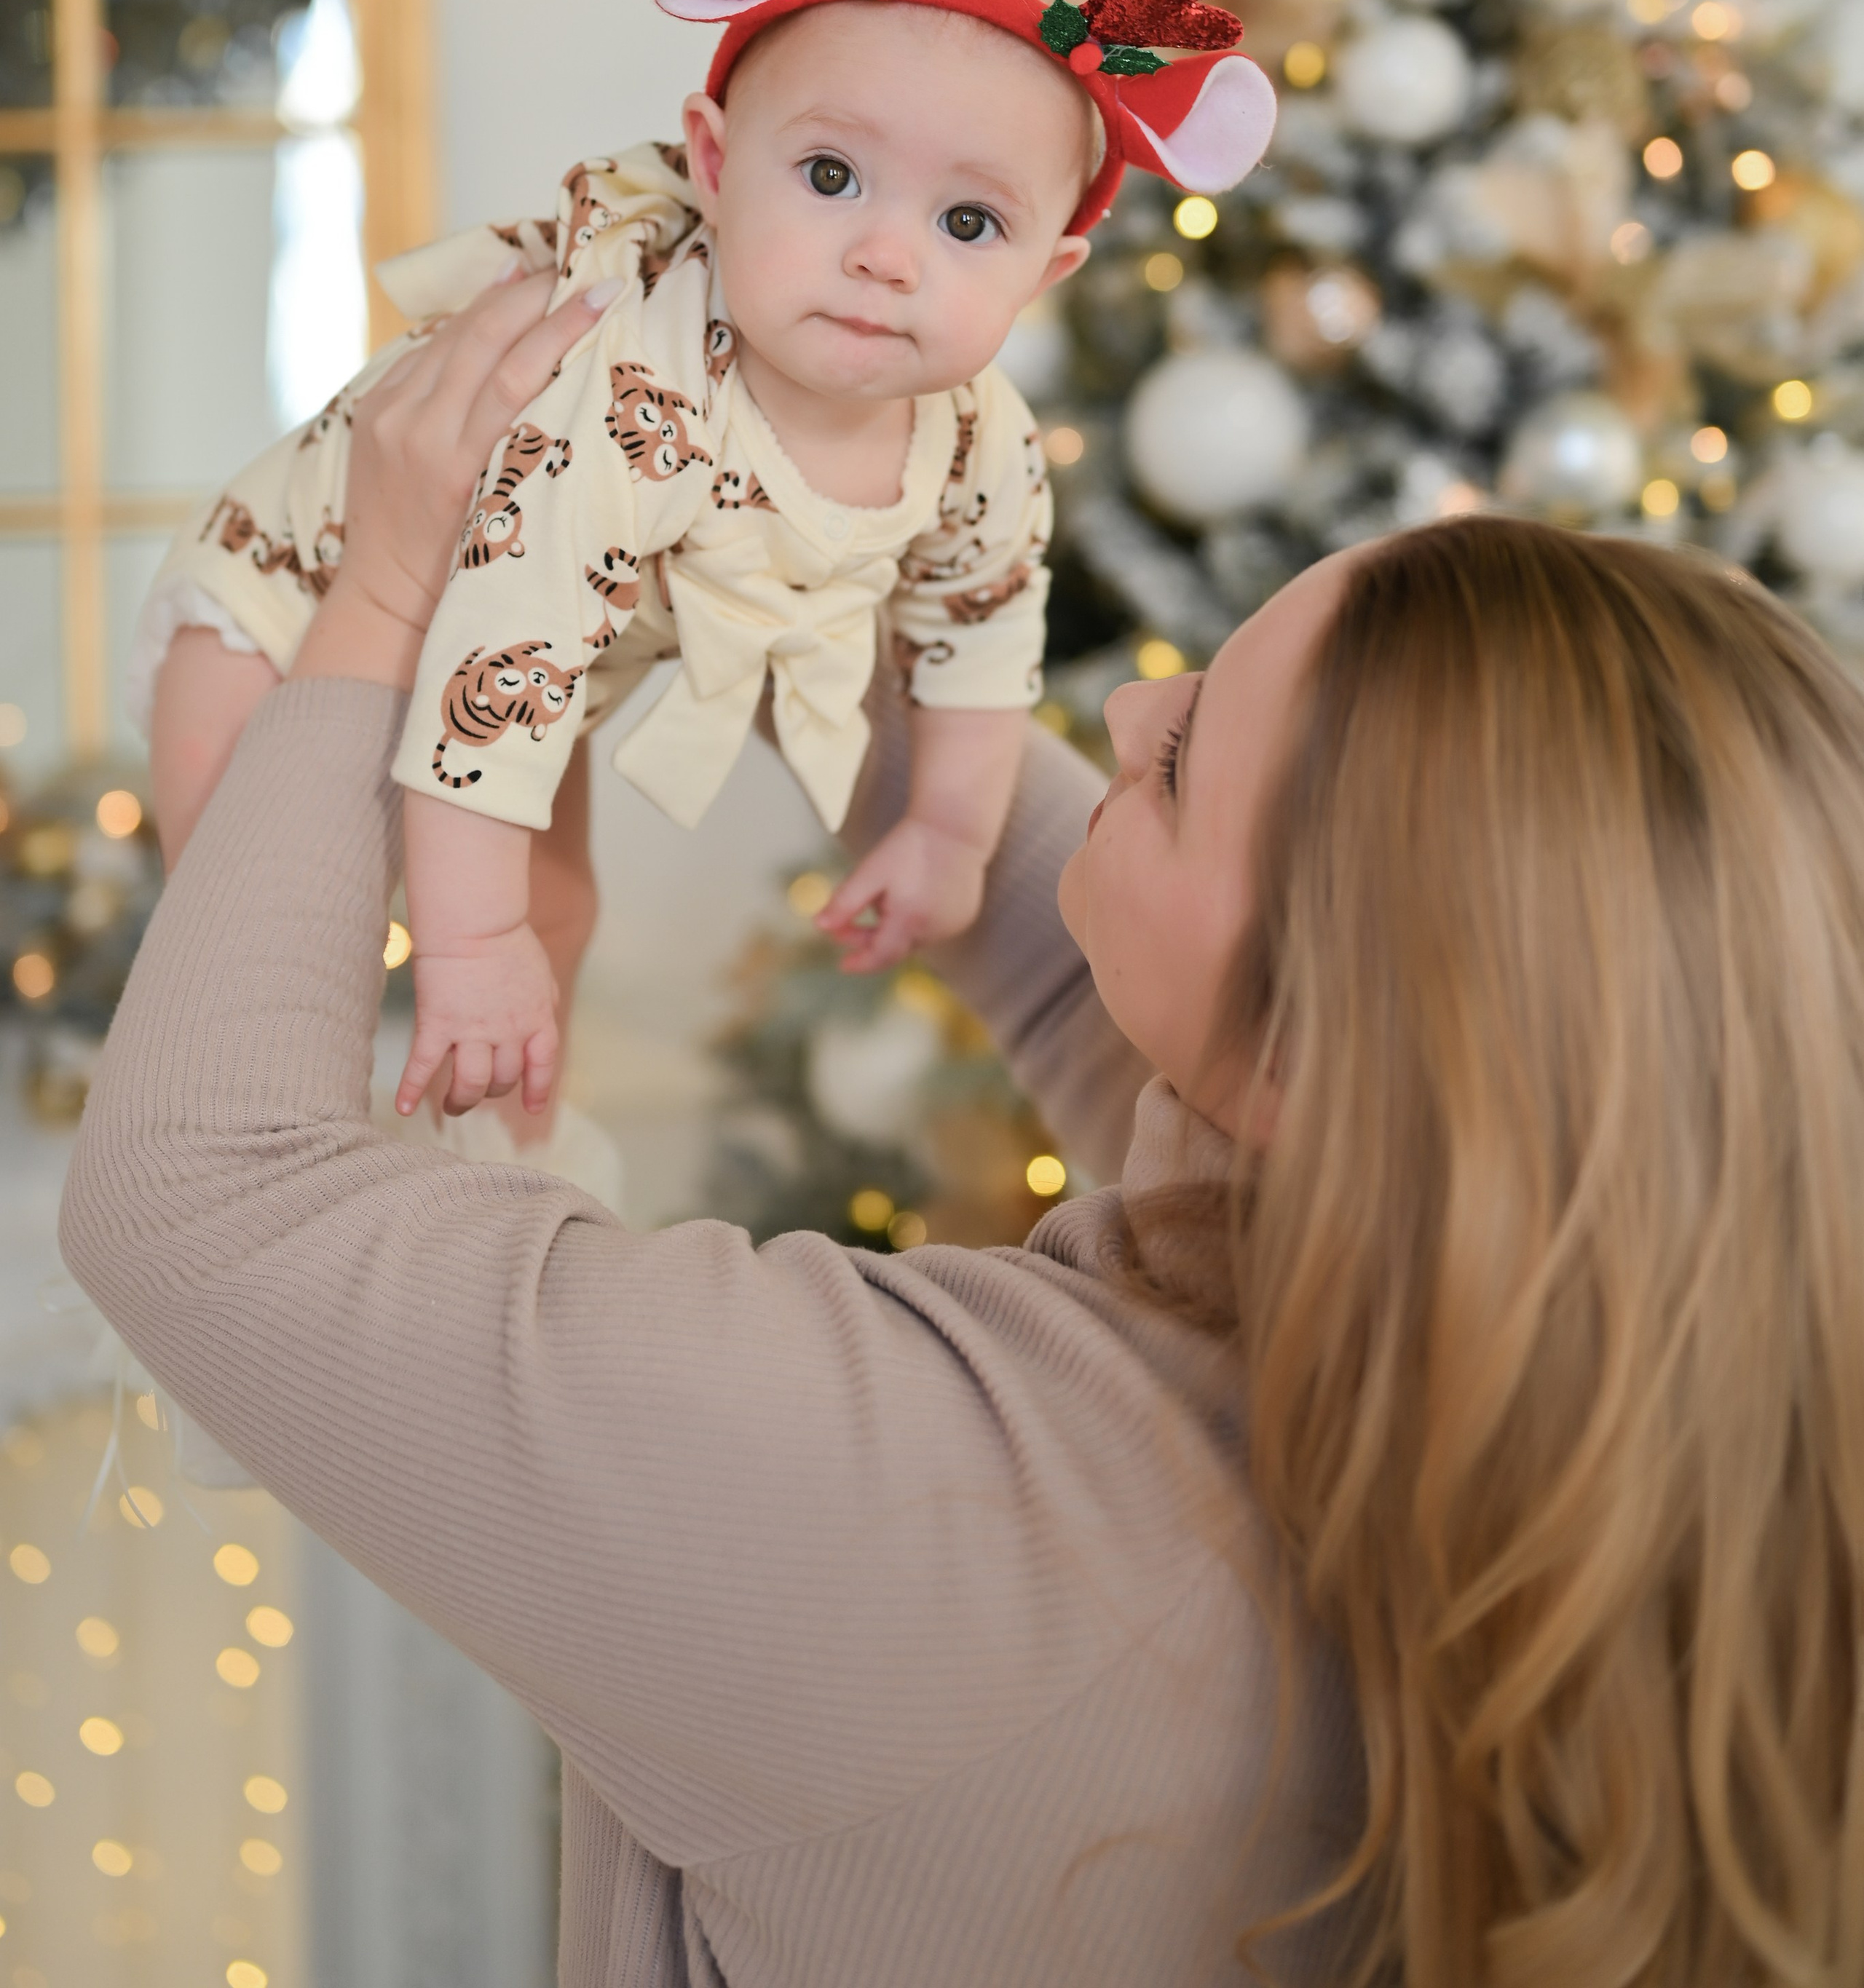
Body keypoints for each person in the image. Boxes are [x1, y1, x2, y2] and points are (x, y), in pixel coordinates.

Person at [63, 276, 1864, 1985]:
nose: (1129, 704)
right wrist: (757, 510)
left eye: (1179, 757)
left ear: (1321, 1052)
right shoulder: (1616, 1414)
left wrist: (387, 595)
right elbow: (1080, 946)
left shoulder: (940, 1517)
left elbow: (205, 1195)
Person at [130, 0, 1313, 1136]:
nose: (885, 254)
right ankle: (283, 1130)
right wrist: (467, 948)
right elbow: (502, 659)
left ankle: (500, 1157)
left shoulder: (977, 444)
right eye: (830, 175)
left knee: (552, 916)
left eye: (968, 222)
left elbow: (979, 627)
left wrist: (949, 836)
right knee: (245, 911)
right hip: (288, 601)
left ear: (1050, 267)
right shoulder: (638, 392)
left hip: (535, 668)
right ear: (712, 159)